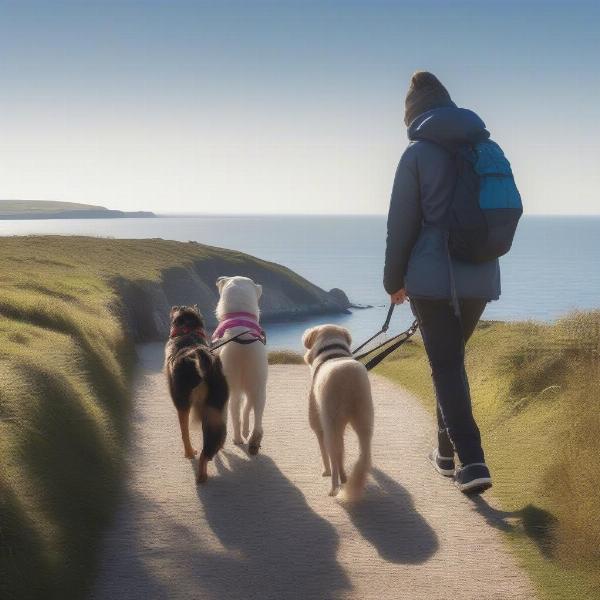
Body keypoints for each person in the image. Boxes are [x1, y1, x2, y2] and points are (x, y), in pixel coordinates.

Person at [384, 71, 501, 494]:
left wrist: (393, 281)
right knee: (449, 363)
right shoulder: (485, 146)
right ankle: (445, 454)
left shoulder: (416, 155)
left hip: (432, 279)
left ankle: (472, 461)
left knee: (446, 364)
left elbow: (401, 225)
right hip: (482, 275)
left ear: (412, 116)